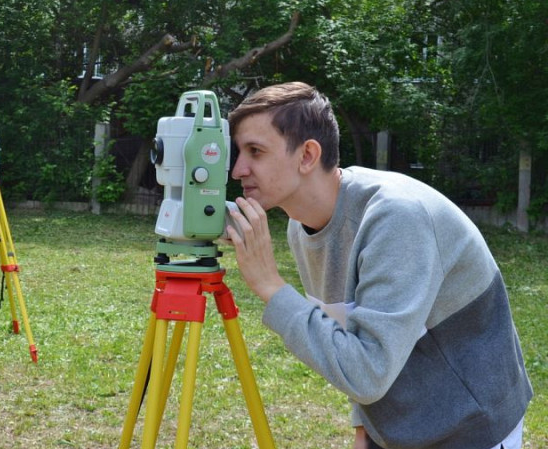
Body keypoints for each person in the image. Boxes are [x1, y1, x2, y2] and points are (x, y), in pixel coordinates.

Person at [224, 82, 532, 449]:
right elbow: (354, 333)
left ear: (307, 155)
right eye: (239, 152)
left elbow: (367, 371)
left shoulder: (397, 217)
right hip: (400, 430)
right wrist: (365, 430)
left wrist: (272, 287)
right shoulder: (301, 224)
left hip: (470, 430)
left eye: (255, 151)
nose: (237, 169)